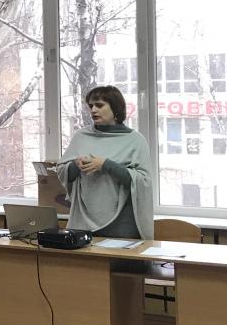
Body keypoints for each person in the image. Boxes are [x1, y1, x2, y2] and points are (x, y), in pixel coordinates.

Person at [54, 85, 153, 239]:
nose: (93, 110)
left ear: (116, 109)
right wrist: (75, 165)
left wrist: (106, 165)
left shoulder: (135, 140)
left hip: (122, 225)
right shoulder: (81, 136)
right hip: (83, 222)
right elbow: (62, 171)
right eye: (91, 106)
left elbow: (143, 182)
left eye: (99, 105)